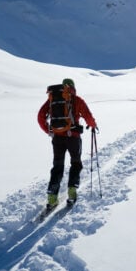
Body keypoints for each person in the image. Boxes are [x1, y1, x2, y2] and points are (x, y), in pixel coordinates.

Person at [37, 78, 98, 210]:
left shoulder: (52, 99)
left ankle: (52, 197)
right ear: (73, 87)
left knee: (57, 166)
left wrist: (49, 130)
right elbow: (87, 115)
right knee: (76, 163)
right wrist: (93, 125)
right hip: (73, 137)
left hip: (57, 138)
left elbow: (40, 116)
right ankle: (71, 191)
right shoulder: (77, 100)